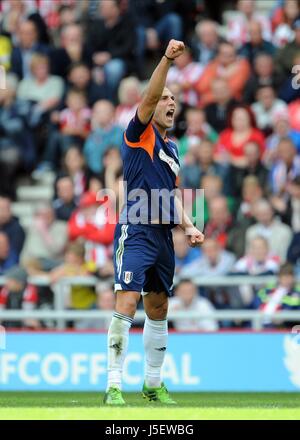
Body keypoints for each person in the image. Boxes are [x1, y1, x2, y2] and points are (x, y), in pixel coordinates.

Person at [104, 40, 204, 405]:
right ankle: (114, 385)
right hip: (136, 229)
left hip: (162, 234)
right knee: (127, 302)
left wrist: (189, 225)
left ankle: (152, 384)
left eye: (174, 99)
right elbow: (147, 99)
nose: (171, 102)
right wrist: (166, 59)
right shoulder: (138, 134)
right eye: (165, 98)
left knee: (158, 310)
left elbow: (172, 197)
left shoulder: (173, 149)